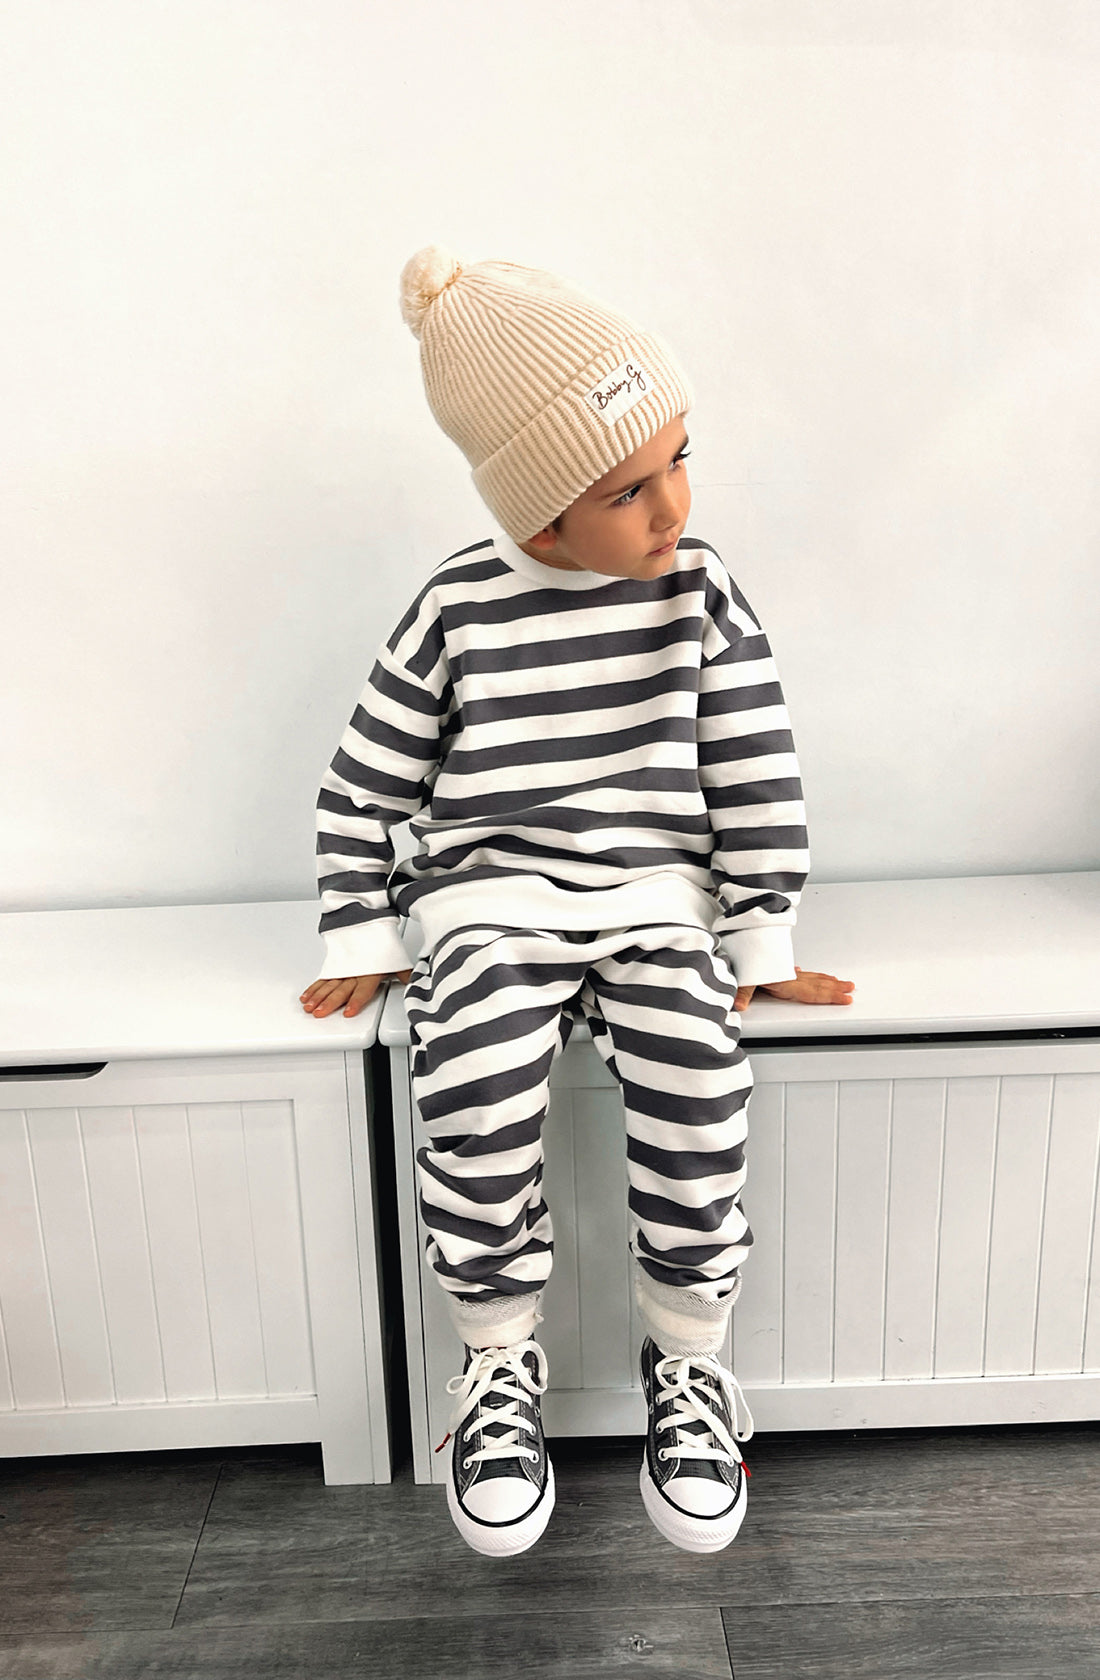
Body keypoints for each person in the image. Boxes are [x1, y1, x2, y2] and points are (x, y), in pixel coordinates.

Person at [300, 246, 854, 1558]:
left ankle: (692, 1362)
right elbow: (364, 777)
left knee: (698, 1077)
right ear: (541, 518)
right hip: (490, 899)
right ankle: (496, 1367)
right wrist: (367, 931)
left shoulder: (698, 592)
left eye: (679, 460)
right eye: (626, 490)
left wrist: (761, 932)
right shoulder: (457, 608)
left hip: (657, 894)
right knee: (475, 1080)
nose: (671, 506)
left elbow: (753, 768)